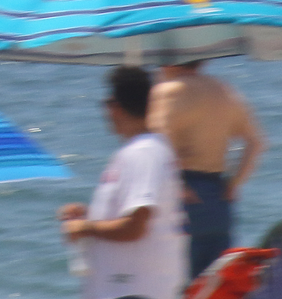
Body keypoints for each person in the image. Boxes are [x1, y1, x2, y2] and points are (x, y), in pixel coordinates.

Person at [58, 65, 187, 299]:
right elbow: (137, 215)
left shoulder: (142, 153)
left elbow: (135, 226)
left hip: (133, 290)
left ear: (115, 107)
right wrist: (89, 217)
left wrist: (85, 227)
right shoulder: (145, 150)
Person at [148, 60, 266, 279]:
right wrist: (234, 183)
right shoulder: (223, 90)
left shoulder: (168, 91)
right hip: (219, 199)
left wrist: (178, 185)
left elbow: (155, 145)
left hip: (184, 197)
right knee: (215, 288)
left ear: (169, 60)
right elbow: (256, 142)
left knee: (175, 286)